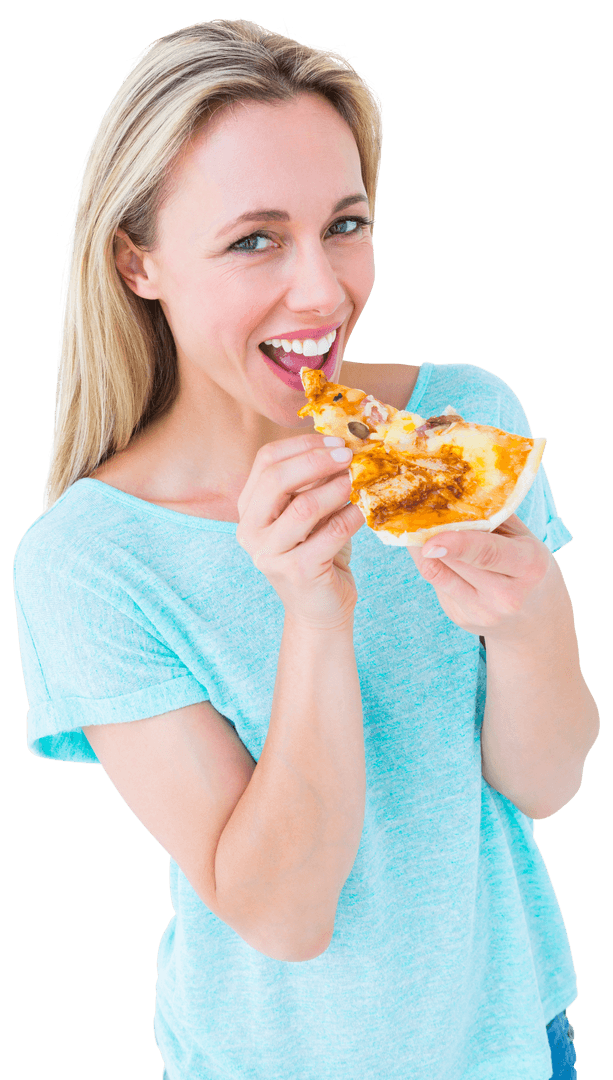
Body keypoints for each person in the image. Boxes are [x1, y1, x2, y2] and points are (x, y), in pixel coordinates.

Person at [12, 18, 595, 1080]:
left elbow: (546, 782)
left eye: (345, 223)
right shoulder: (89, 562)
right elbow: (282, 916)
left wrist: (528, 618)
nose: (322, 292)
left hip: (517, 1038)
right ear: (136, 262)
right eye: (254, 240)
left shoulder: (462, 417)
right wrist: (313, 611)